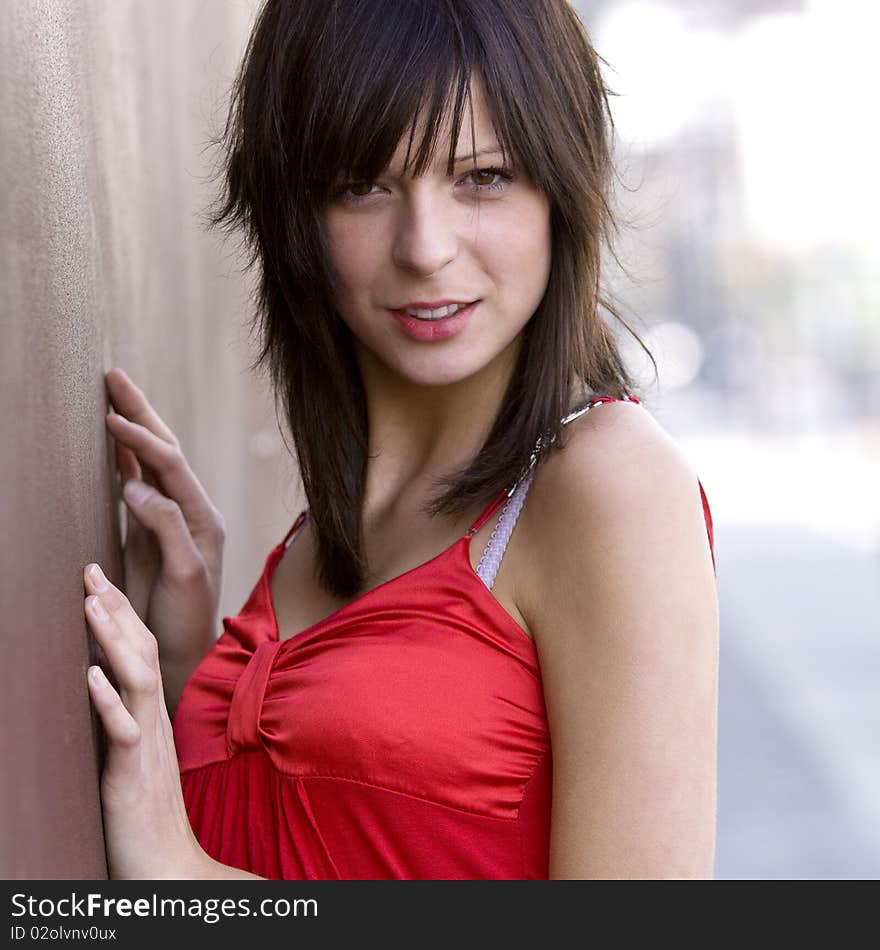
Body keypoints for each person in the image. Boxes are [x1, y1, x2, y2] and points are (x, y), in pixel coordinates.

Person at [82, 0, 719, 880]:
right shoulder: (323, 531)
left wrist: (182, 877)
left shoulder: (608, 488)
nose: (425, 248)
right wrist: (187, 666)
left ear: (561, 189)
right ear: (294, 213)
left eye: (483, 177)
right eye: (363, 185)